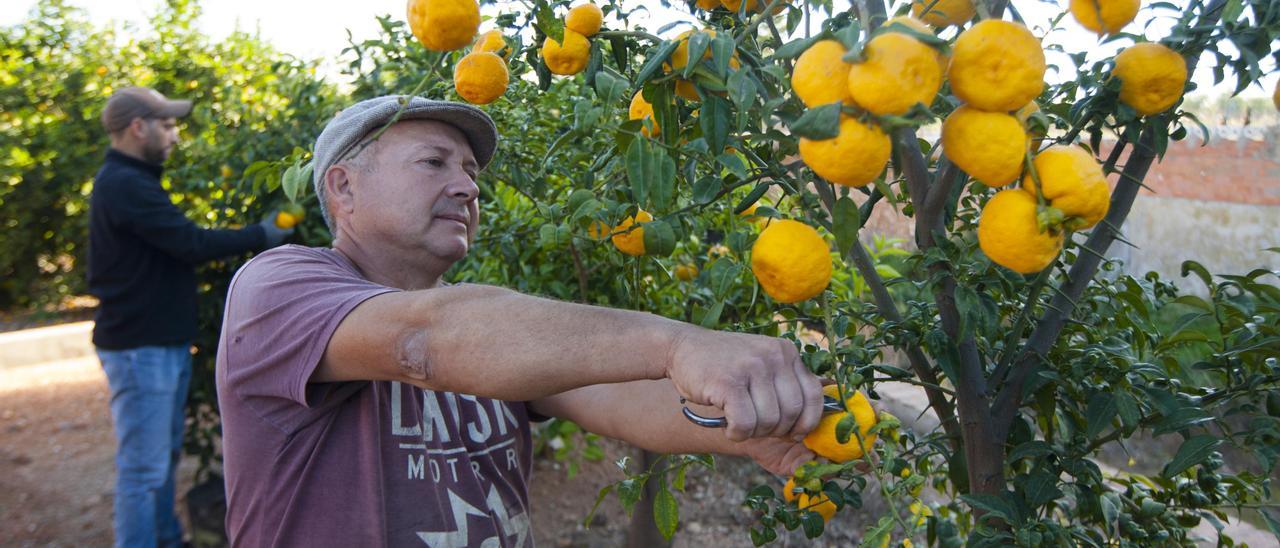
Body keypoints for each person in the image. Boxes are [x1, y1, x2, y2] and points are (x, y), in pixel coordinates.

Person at [215, 95, 825, 546]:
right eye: (434, 162)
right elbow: (422, 339)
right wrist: (679, 343)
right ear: (343, 188)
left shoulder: (498, 336)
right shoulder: (280, 288)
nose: (467, 187)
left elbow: (619, 395)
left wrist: (752, 426)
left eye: (472, 173)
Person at [89, 86, 292, 548]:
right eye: (168, 125)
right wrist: (261, 234)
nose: (176, 135)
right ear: (139, 127)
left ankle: (165, 538)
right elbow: (189, 243)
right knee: (144, 468)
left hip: (157, 342)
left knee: (162, 457)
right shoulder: (124, 184)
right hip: (142, 347)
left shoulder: (132, 180)